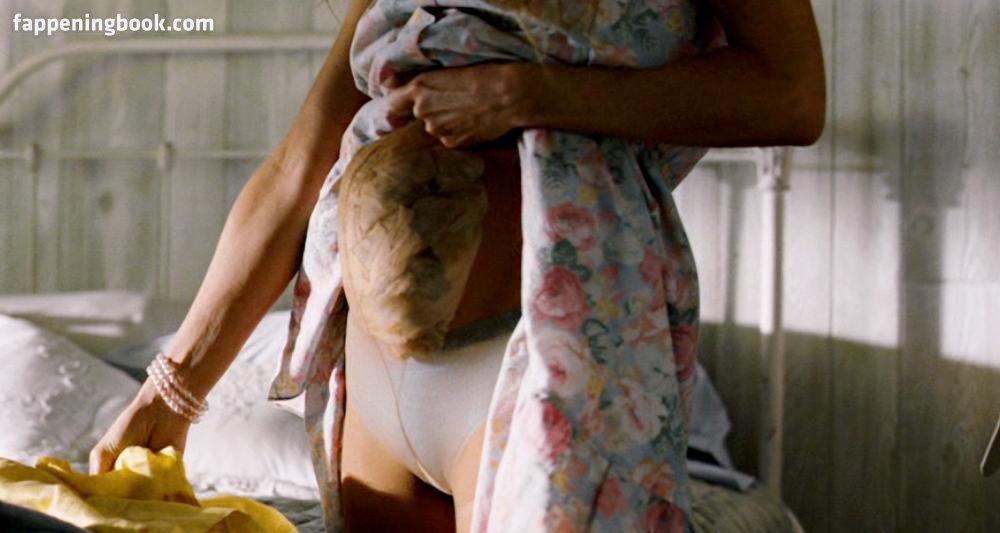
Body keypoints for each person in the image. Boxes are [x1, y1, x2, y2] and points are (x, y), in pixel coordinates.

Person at [91, 0, 825, 531]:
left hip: (549, 354)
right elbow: (297, 167)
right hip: (374, 376)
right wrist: (172, 390)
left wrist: (529, 94)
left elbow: (791, 94)